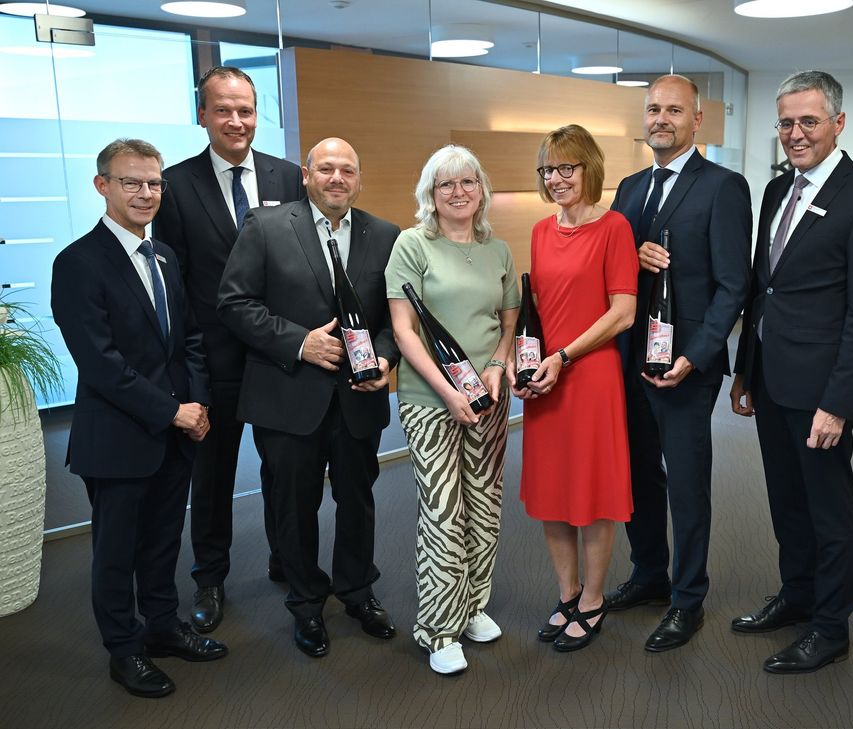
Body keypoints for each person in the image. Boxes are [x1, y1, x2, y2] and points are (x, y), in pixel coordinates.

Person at [729, 70, 853, 673]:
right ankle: (797, 595)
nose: (795, 133)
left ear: (838, 123)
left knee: (828, 510)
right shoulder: (778, 189)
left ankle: (829, 629)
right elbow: (764, 289)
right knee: (786, 500)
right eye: (786, 123)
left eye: (808, 121)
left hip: (821, 388)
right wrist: (745, 372)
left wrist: (839, 401)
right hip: (771, 378)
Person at [51, 139, 227, 698]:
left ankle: (161, 627)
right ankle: (124, 650)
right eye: (131, 182)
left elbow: (190, 340)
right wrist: (172, 410)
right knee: (116, 553)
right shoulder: (78, 263)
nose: (145, 193)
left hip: (176, 432)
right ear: (102, 185)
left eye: (153, 183)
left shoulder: (165, 256)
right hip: (119, 437)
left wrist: (198, 405)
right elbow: (101, 364)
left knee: (162, 541)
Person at [217, 137, 399, 658]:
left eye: (347, 170)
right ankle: (306, 603)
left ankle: (357, 590)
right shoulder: (265, 226)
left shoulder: (386, 235)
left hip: (358, 398)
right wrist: (300, 343)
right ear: (306, 174)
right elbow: (234, 303)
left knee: (358, 500)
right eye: (326, 169)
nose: (337, 178)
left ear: (359, 179)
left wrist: (384, 357)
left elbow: (395, 317)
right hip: (289, 396)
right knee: (294, 506)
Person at [154, 65, 304, 633]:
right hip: (212, 362)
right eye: (223, 110)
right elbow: (174, 282)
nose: (236, 120)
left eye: (245, 110)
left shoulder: (288, 176)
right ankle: (210, 578)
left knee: (283, 469)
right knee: (212, 476)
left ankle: (286, 558)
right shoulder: (174, 185)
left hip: (279, 355)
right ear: (202, 115)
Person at [606, 74, 752, 652]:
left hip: (685, 365)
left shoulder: (723, 187)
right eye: (653, 109)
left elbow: (734, 285)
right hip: (629, 358)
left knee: (687, 484)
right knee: (638, 473)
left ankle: (688, 599)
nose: (660, 119)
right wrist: (629, 252)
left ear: (697, 119)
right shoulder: (629, 187)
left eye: (673, 110)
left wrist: (696, 355)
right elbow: (608, 266)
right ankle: (648, 574)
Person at [385, 145, 520, 675]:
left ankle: (472, 607)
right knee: (443, 511)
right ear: (431, 193)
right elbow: (403, 330)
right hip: (429, 400)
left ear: (481, 190)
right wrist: (447, 391)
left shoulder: (498, 250)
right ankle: (439, 629)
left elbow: (508, 323)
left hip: (488, 398)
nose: (458, 192)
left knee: (484, 506)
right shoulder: (412, 244)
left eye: (468, 182)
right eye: (446, 184)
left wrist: (499, 366)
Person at [512, 124, 638, 652]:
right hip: (547, 379)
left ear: (589, 167)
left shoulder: (614, 228)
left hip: (589, 376)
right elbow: (538, 310)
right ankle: (566, 594)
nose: (556, 178)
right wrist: (526, 364)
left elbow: (623, 312)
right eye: (548, 169)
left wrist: (564, 356)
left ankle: (593, 598)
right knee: (552, 491)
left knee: (592, 490)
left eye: (567, 167)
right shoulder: (541, 231)